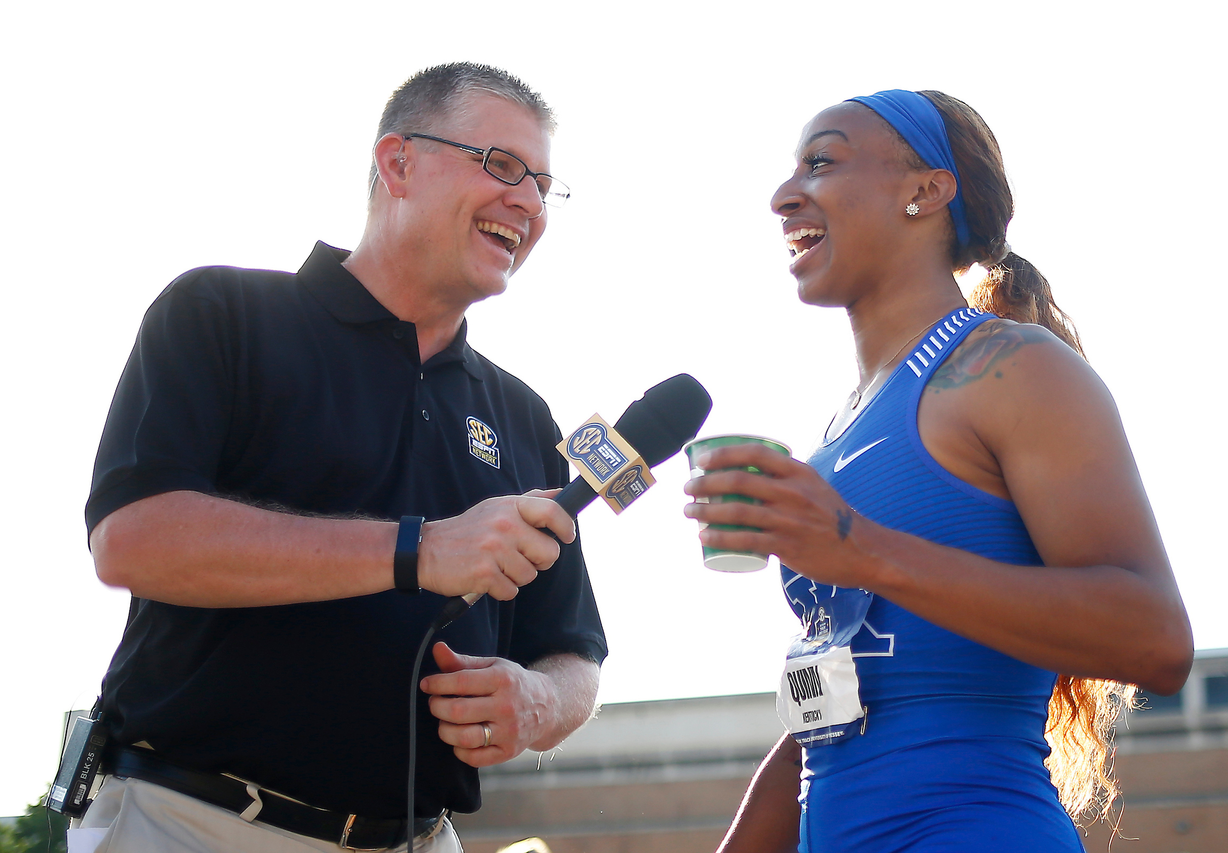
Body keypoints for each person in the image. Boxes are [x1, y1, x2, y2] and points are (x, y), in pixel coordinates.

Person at [75, 62, 607, 853]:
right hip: (198, 824)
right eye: (500, 165)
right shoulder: (221, 316)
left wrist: (538, 699)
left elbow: (576, 652)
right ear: (397, 162)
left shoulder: (524, 417)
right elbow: (132, 540)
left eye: (542, 184)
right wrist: (420, 548)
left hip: (423, 837)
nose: (527, 201)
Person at [686, 90, 1193, 852]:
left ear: (925, 191)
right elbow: (829, 716)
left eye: (821, 162)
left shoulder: (1013, 369)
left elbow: (1155, 640)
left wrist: (861, 550)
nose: (783, 195)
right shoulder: (835, 431)